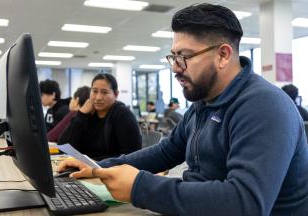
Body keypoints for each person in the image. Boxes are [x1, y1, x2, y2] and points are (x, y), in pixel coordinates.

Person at [58, 4, 308, 215]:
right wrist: (97, 167)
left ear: (223, 55)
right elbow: (167, 151)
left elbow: (245, 202)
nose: (176, 68)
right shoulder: (205, 101)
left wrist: (140, 187)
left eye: (184, 57)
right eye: (173, 56)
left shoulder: (263, 106)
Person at [58, 73, 142, 160]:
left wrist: (95, 163)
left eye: (104, 92)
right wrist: (81, 114)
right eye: (94, 91)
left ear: (116, 94)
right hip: (84, 167)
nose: (98, 97)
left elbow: (132, 155)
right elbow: (63, 146)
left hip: (111, 170)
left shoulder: (123, 115)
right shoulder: (87, 114)